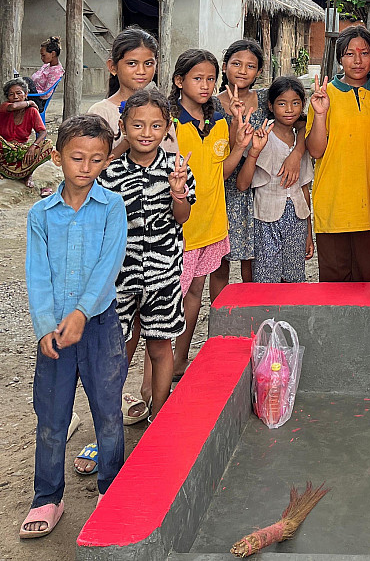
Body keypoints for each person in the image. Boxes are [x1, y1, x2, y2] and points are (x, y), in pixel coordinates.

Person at [20, 115, 127, 540]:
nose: (85, 167)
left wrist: (82, 312)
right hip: (55, 336)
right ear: (57, 156)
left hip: (99, 327)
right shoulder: (41, 214)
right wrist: (47, 325)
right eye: (77, 157)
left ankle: (111, 489)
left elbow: (108, 266)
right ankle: (47, 497)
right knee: (51, 416)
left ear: (105, 161)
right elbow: (37, 274)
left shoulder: (112, 207)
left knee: (108, 411)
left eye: (96, 159)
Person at [102, 88, 194, 418]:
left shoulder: (177, 167)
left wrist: (177, 192)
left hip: (163, 277)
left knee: (159, 344)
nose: (146, 133)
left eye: (156, 126)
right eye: (137, 125)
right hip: (120, 279)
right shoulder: (108, 174)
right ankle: (107, 420)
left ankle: (161, 415)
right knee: (117, 349)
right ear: (123, 126)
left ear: (167, 127)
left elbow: (182, 217)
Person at [170, 49, 250, 376]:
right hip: (179, 231)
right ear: (179, 81)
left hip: (212, 226)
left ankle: (180, 360)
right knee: (168, 303)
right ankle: (159, 371)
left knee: (195, 296)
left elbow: (224, 171)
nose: (205, 85)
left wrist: (241, 145)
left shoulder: (216, 119)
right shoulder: (169, 124)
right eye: (197, 78)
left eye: (210, 79)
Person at [306, 26, 370, 282]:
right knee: (334, 289)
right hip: (334, 207)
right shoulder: (324, 95)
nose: (358, 60)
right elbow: (316, 150)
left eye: (364, 53)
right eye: (350, 54)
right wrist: (320, 114)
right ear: (340, 58)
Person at [237, 77, 314, 283]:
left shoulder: (302, 141)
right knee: (265, 280)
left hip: (297, 219)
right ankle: (266, 316)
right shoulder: (262, 137)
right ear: (270, 105)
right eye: (282, 103)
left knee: (294, 279)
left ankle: (290, 316)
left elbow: (304, 187)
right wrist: (254, 151)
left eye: (295, 103)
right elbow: (242, 184)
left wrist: (309, 233)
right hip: (266, 219)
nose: (289, 109)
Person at [216, 40, 268, 287]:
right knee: (220, 260)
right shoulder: (212, 104)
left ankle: (251, 316)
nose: (242, 70)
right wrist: (235, 121)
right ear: (225, 66)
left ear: (259, 72)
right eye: (236, 64)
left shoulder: (268, 99)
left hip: (260, 187)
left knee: (254, 258)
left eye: (250, 66)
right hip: (223, 189)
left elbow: (297, 124)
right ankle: (220, 317)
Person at [88, 28, 173, 161]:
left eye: (148, 63)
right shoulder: (101, 112)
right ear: (113, 67)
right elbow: (93, 163)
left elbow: (172, 158)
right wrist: (128, 141)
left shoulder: (160, 110)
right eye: (132, 63)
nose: (141, 71)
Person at [0, 77, 51, 185]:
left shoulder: (32, 112)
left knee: (48, 145)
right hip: (3, 148)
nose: (15, 97)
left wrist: (34, 146)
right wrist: (30, 102)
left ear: (26, 94)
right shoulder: (5, 106)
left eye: (19, 93)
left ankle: (27, 174)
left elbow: (43, 132)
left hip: (21, 150)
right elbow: (13, 106)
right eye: (11, 94)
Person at [26, 36, 64, 109]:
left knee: (25, 81)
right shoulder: (46, 66)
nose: (41, 58)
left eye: (43, 55)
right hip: (31, 95)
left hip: (38, 101)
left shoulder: (56, 72)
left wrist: (27, 92)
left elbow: (46, 94)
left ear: (53, 54)